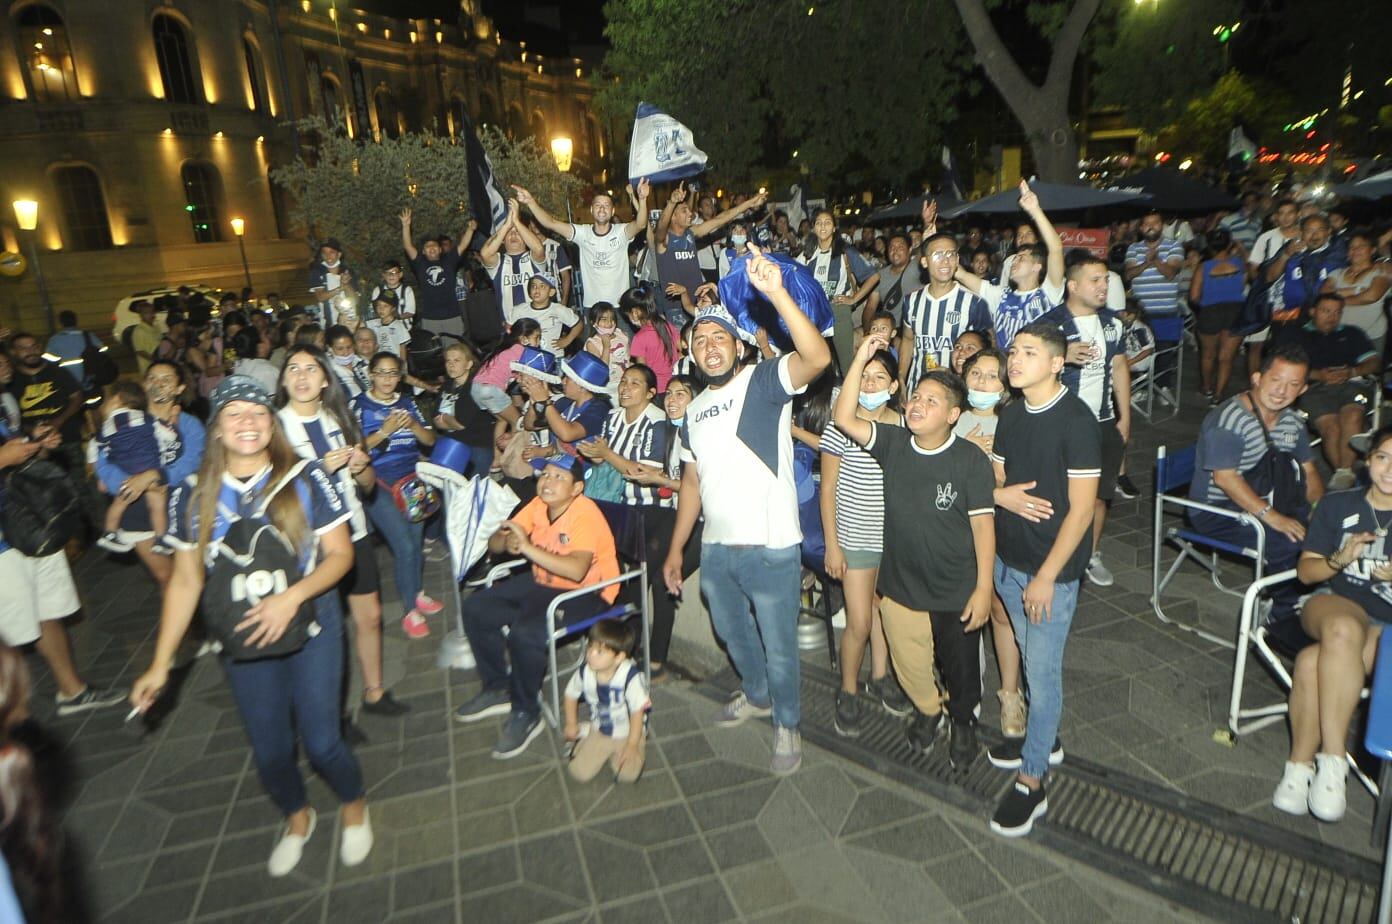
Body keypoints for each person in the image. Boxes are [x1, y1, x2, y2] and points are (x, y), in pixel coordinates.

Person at [130, 376, 373, 878]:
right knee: (270, 750)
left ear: (273, 423)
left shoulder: (305, 478)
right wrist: (160, 665)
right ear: (216, 428)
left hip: (313, 622)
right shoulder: (191, 497)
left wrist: (293, 596)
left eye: (259, 413)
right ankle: (297, 815)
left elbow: (341, 555)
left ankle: (353, 803)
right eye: (235, 413)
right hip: (241, 632)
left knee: (323, 741)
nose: (248, 422)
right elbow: (185, 583)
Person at [662, 246, 833, 776]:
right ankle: (756, 693)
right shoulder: (690, 411)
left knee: (780, 646)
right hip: (715, 550)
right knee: (734, 633)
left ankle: (787, 722)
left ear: (736, 344)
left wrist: (776, 291)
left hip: (771, 544)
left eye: (719, 338)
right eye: (700, 341)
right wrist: (675, 551)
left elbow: (818, 359)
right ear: (691, 354)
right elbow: (691, 482)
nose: (710, 347)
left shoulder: (762, 382)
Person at [833, 339, 995, 766]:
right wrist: (860, 358)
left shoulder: (969, 460)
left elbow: (983, 527)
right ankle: (928, 710)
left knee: (960, 671)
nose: (919, 404)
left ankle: (963, 724)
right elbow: (843, 417)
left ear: (953, 415)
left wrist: (982, 589)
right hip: (901, 585)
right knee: (910, 664)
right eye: (916, 396)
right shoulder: (893, 444)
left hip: (955, 589)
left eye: (932, 400)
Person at [986, 322, 1101, 836]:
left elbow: (1081, 511)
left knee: (1043, 671)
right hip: (1008, 560)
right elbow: (999, 479)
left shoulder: (1076, 420)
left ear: (1057, 363)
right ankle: (1042, 737)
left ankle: (1033, 784)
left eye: (1029, 352)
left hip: (1047, 572)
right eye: (1013, 351)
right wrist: (1000, 495)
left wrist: (1047, 577)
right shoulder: (1010, 415)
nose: (1015, 360)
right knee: (1032, 664)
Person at [454, 456, 619, 758]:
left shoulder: (585, 514)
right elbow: (495, 543)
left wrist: (527, 548)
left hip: (587, 593)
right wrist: (507, 543)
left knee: (526, 633)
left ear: (577, 488)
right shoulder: (538, 505)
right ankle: (498, 687)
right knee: (477, 608)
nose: (548, 481)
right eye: (546, 474)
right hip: (545, 582)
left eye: (559, 477)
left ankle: (526, 712)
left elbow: (576, 571)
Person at [278, 347, 410, 717]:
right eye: (293, 369)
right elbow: (270, 494)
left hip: (352, 531)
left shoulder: (338, 419)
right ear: (284, 379)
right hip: (306, 543)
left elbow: (366, 486)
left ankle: (374, 693)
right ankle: (328, 716)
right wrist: (318, 468)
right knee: (321, 631)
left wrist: (361, 467)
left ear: (325, 380)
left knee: (369, 616)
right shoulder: (274, 428)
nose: (302, 376)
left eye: (310, 369)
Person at [1272, 426, 1392, 822]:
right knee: (1342, 630)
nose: (1389, 470)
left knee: (1311, 663)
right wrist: (1342, 558)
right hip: (1330, 603)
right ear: (1367, 460)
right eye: (1382, 458)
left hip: (1385, 625)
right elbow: (1306, 575)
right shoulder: (1338, 504)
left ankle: (1299, 768)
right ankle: (1334, 761)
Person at [818, 345, 911, 737]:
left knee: (882, 611)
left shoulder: (906, 427)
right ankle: (849, 689)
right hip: (854, 536)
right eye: (864, 376)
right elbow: (828, 490)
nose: (870, 384)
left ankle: (880, 675)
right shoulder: (840, 425)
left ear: (893, 386)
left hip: (893, 537)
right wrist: (833, 545)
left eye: (878, 378)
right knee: (858, 621)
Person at [1036, 257, 1130, 587]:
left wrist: (1125, 420)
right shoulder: (1049, 325)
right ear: (1073, 286)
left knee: (1100, 496)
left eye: (1105, 279)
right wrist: (1059, 359)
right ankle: (1053, 553)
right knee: (1058, 494)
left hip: (1102, 423)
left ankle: (1090, 553)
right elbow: (1025, 373)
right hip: (1060, 425)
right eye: (1095, 280)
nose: (1104, 286)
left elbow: (1119, 368)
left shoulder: (1112, 324)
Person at [1189, 344, 1323, 571]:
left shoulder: (1293, 422)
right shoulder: (1230, 420)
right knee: (1291, 544)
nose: (1281, 391)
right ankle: (1284, 604)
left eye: (1293, 385)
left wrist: (1320, 511)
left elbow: (1308, 471)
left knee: (1331, 533)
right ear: (1257, 378)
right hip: (1217, 509)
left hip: (1271, 496)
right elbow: (1225, 479)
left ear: (1302, 390)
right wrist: (1273, 518)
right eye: (1276, 380)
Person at [353, 352, 443, 639]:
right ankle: (408, 611)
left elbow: (430, 440)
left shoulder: (407, 403)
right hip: (378, 484)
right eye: (381, 372)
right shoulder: (359, 405)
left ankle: (416, 593)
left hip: (412, 482)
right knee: (403, 546)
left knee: (415, 543)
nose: (387, 379)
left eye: (393, 373)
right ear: (370, 373)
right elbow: (353, 449)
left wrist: (415, 426)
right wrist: (384, 431)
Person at [955, 182, 1065, 352]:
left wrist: (1035, 210)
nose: (1015, 261)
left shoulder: (1048, 294)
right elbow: (961, 275)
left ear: (1037, 266)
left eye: (1021, 258)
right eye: (1015, 258)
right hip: (1006, 371)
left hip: (1035, 373)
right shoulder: (1001, 296)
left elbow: (1056, 248)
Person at [514, 181, 651, 309]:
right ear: (591, 210)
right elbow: (551, 223)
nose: (602, 209)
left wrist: (643, 199)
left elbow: (641, 224)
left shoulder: (622, 232)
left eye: (606, 205)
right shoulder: (582, 233)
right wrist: (530, 202)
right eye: (598, 205)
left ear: (613, 211)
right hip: (592, 307)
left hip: (620, 306)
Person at [1291, 293, 1379, 489]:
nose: (1332, 316)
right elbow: (1286, 366)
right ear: (1313, 312)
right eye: (1326, 311)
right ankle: (1347, 476)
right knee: (1331, 427)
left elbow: (1373, 361)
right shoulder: (1297, 335)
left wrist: (1352, 371)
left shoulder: (1352, 333)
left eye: (1337, 312)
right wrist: (1317, 375)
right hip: (1313, 388)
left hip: (1351, 384)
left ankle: (1343, 475)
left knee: (1353, 415)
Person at [654, 182, 765, 325]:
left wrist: (749, 203)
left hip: (699, 302)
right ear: (673, 217)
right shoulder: (664, 240)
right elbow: (661, 227)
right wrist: (671, 203)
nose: (690, 214)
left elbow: (720, 219)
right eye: (684, 211)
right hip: (676, 308)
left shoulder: (691, 234)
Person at [898, 233, 993, 389]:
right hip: (917, 388)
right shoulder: (911, 301)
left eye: (951, 254)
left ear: (957, 260)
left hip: (956, 391)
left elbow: (989, 348)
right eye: (938, 255)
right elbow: (908, 340)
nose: (945, 260)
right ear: (924, 261)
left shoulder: (974, 303)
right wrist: (901, 377)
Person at [563, 619, 651, 783]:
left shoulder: (630, 678)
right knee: (578, 772)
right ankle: (587, 734)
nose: (590, 654)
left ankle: (640, 741)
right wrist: (571, 723)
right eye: (590, 647)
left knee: (628, 776)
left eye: (600, 652)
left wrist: (632, 745)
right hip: (600, 728)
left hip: (628, 730)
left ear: (619, 658)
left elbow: (637, 713)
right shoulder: (585, 673)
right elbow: (570, 695)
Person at [798, 209, 878, 373]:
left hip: (838, 309)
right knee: (812, 361)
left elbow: (874, 276)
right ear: (813, 227)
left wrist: (853, 299)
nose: (823, 226)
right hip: (814, 311)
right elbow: (792, 273)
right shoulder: (808, 253)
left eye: (827, 222)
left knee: (846, 363)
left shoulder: (845, 251)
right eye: (818, 222)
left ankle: (852, 395)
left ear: (834, 227)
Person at [94, 382, 167, 553]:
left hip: (126, 474)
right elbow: (162, 433)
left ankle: (109, 533)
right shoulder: (145, 418)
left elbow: (98, 449)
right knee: (157, 503)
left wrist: (102, 475)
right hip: (150, 468)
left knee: (119, 503)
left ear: (117, 399)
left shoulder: (105, 427)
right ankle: (161, 539)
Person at [1190, 228, 1248, 404]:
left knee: (1208, 355)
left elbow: (1193, 296)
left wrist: (1205, 304)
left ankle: (1206, 388)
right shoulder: (1239, 264)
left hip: (1211, 311)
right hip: (1236, 311)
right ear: (1229, 244)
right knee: (1226, 357)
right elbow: (1245, 281)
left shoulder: (1204, 267)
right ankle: (1218, 395)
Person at [400, 208, 475, 340]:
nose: (431, 248)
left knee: (455, 351)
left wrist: (470, 230)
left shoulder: (449, 261)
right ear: (423, 251)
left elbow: (463, 245)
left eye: (434, 246)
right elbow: (408, 246)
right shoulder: (420, 264)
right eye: (428, 247)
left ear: (440, 249)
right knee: (434, 356)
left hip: (452, 316)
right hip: (430, 319)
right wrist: (406, 226)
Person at [479, 198, 548, 327]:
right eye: (509, 233)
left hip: (538, 326)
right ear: (503, 239)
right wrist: (506, 225)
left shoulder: (533, 258)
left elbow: (539, 248)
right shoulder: (499, 261)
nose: (514, 236)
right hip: (510, 328)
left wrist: (516, 221)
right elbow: (485, 253)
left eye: (518, 233)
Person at [1323, 231, 1391, 357]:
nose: (1356, 250)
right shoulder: (1337, 273)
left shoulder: (1383, 271)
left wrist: (1337, 298)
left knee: (1367, 374)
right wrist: (1357, 290)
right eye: (1352, 247)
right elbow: (1324, 295)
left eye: (1362, 246)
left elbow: (1371, 296)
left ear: (1372, 250)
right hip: (1338, 334)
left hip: (1370, 336)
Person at [434, 342, 496, 476]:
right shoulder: (447, 385)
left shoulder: (475, 387)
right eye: (448, 361)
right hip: (451, 442)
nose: (451, 365)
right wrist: (448, 421)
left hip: (477, 445)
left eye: (456, 360)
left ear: (468, 364)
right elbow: (435, 418)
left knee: (473, 488)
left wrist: (444, 418)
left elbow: (459, 423)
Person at [621, 285, 681, 395]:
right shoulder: (667, 325)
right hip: (674, 385)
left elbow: (642, 373)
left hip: (656, 390)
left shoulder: (639, 338)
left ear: (635, 312)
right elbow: (682, 348)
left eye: (627, 315)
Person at [1125, 212, 1185, 319]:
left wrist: (1155, 260)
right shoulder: (1133, 248)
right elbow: (1128, 275)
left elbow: (1170, 274)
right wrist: (1146, 263)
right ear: (1141, 227)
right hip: (1140, 312)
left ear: (1162, 225)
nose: (1151, 227)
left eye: (1155, 223)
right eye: (1147, 224)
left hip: (1167, 310)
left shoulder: (1174, 246)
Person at [512, 273, 580, 356]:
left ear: (551, 292)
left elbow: (578, 325)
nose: (536, 290)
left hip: (554, 357)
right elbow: (509, 329)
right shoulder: (519, 310)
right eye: (533, 286)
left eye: (542, 286)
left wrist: (567, 340)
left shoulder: (558, 310)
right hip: (527, 359)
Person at [864, 233, 922, 324]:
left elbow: (927, 251)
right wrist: (867, 331)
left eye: (900, 247)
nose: (895, 251)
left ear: (910, 250)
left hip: (913, 327)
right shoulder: (880, 275)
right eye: (892, 248)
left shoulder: (917, 267)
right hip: (888, 328)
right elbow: (870, 307)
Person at [307, 238, 354, 328]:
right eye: (324, 253)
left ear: (339, 254)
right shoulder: (317, 271)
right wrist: (340, 288)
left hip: (349, 320)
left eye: (331, 252)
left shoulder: (347, 271)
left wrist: (346, 284)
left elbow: (354, 298)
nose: (328, 256)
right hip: (329, 323)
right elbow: (320, 297)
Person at [584, 302, 630, 391]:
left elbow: (628, 358)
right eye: (604, 319)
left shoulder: (621, 335)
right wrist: (606, 346)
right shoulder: (592, 343)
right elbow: (601, 369)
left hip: (625, 382)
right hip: (608, 386)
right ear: (593, 322)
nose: (609, 323)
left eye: (612, 319)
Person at [326, 325, 371, 398]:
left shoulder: (362, 363)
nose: (346, 353)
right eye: (340, 349)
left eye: (349, 347)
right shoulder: (329, 373)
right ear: (330, 349)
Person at [364, 291, 411, 362]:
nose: (381, 309)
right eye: (379, 305)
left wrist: (403, 369)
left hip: (394, 363)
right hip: (379, 363)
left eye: (385, 306)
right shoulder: (373, 323)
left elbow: (402, 349)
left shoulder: (398, 326)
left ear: (393, 308)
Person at [370, 260, 416, 328]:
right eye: (387, 273)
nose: (391, 275)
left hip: (404, 328)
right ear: (383, 275)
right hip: (383, 327)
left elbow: (411, 312)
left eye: (394, 272)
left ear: (400, 274)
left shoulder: (407, 290)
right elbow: (374, 309)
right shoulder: (378, 290)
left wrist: (396, 317)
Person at [127, 299, 163, 374]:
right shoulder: (139, 331)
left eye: (153, 312)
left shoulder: (156, 327)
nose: (151, 315)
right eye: (147, 313)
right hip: (148, 368)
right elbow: (140, 351)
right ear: (141, 315)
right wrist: (155, 360)